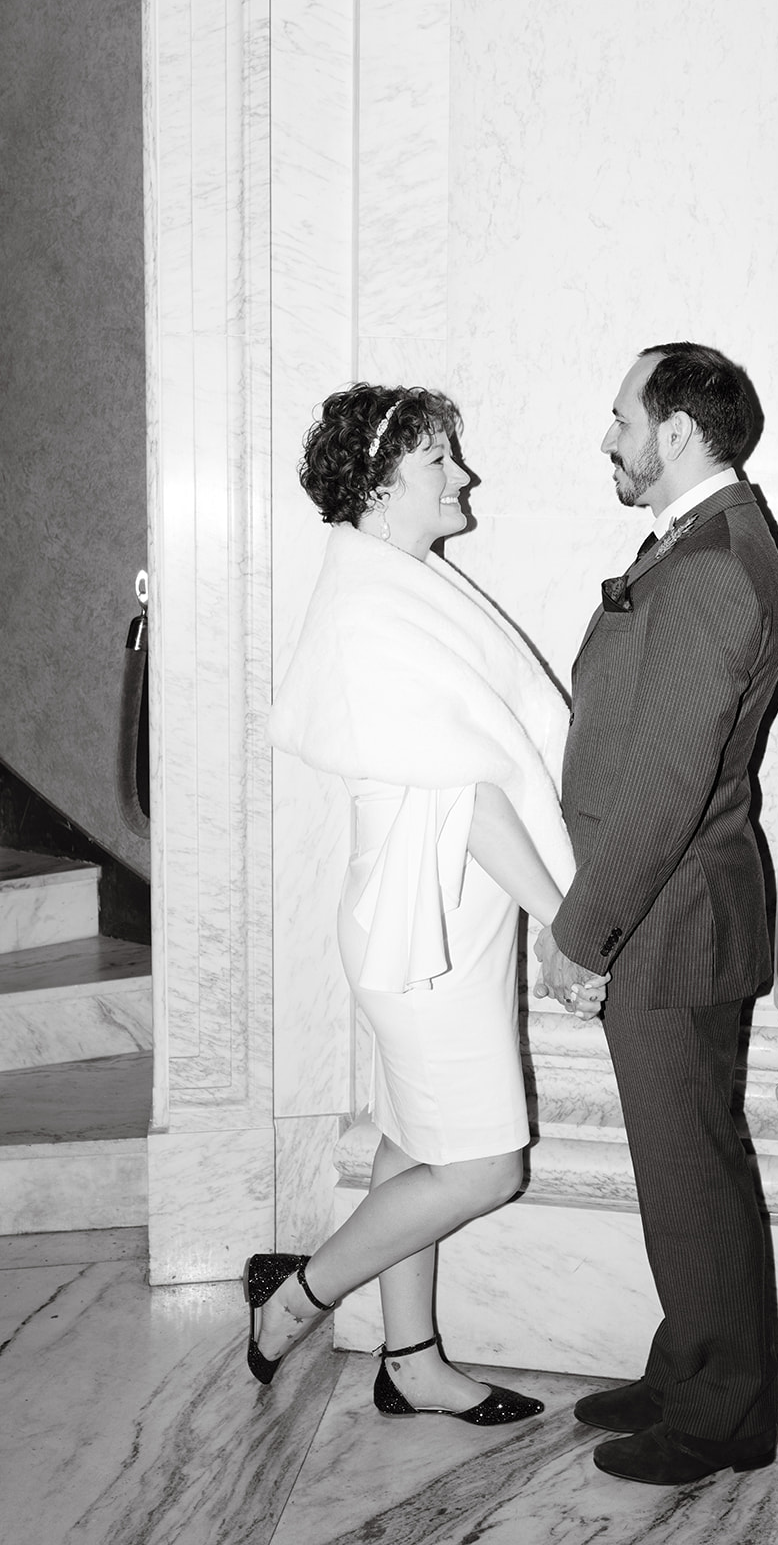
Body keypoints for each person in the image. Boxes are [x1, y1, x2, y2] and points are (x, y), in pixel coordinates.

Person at [249, 382, 605, 1422]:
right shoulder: (369, 610)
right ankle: (296, 1297)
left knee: (416, 1138)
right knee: (485, 1167)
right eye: (439, 458)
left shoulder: (403, 582)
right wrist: (565, 929)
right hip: (422, 936)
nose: (463, 475)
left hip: (444, 921)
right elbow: (472, 796)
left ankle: (410, 1361)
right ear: (380, 481)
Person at [535, 342, 778, 1485]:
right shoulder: (704, 541)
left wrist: (580, 932)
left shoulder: (712, 564)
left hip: (666, 923)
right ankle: (691, 1363)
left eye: (622, 418)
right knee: (688, 1165)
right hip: (676, 916)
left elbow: (663, 785)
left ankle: (722, 1417)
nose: (609, 439)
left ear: (676, 431)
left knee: (689, 1172)